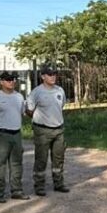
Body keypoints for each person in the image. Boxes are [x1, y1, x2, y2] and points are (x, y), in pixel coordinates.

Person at [0, 71, 29, 202]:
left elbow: (21, 113)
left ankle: (16, 190)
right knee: (0, 164)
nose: (12, 82)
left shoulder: (19, 97)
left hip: (16, 134)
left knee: (17, 164)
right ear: (1, 82)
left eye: (13, 79)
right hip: (1, 135)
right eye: (8, 79)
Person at [25, 64, 70, 196]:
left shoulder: (60, 91)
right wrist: (40, 119)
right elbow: (29, 110)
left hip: (58, 129)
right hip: (42, 130)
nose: (53, 77)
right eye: (50, 74)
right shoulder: (36, 92)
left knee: (58, 158)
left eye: (54, 74)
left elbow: (61, 106)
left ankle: (59, 183)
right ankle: (39, 186)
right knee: (41, 159)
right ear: (43, 76)